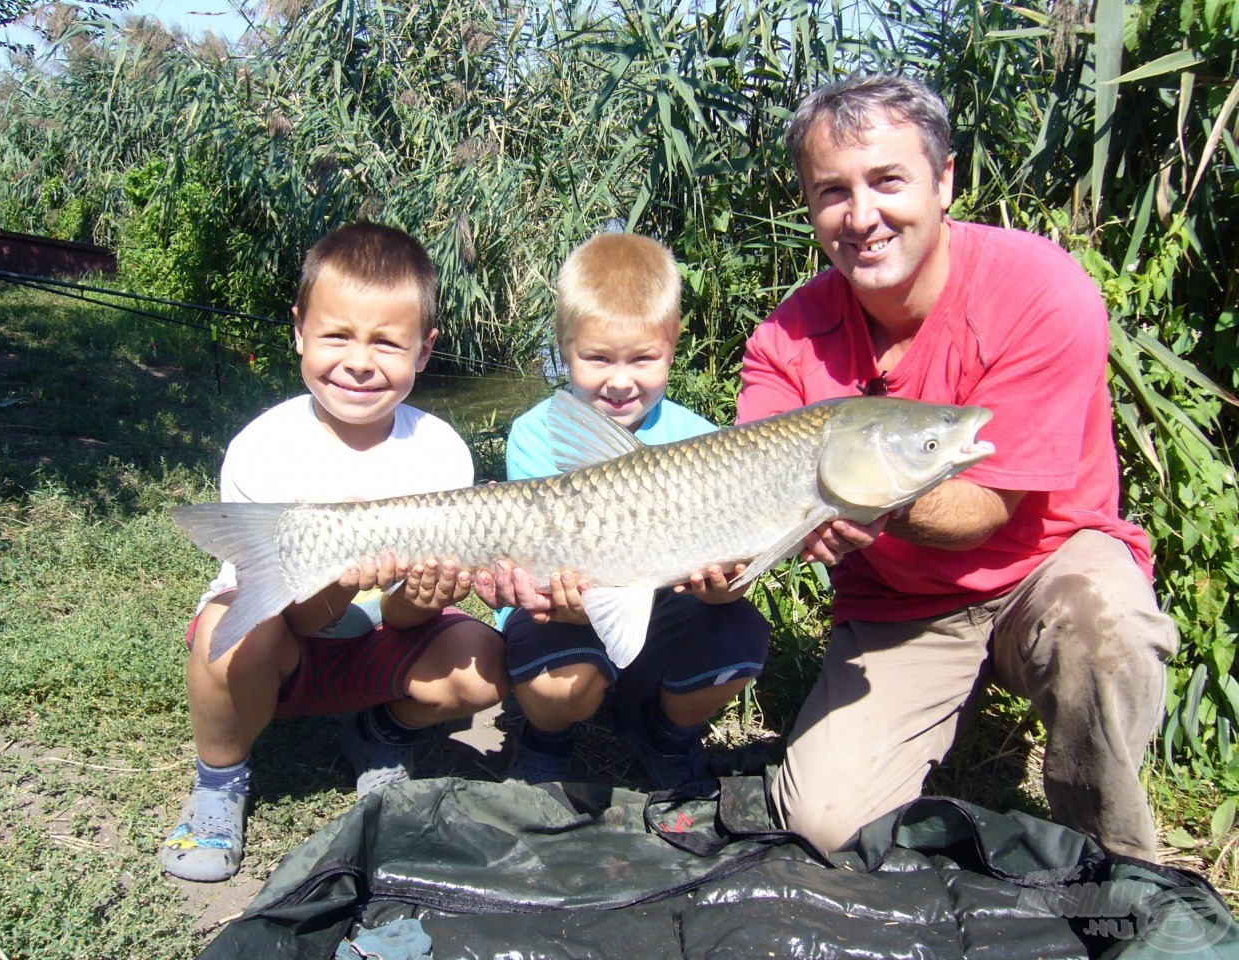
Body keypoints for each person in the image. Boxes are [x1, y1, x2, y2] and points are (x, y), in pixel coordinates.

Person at [738, 73, 1177, 860]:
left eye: (888, 181)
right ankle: (941, 699)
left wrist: (854, 495)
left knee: (1105, 636)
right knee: (822, 826)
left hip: (1047, 567)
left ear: (945, 181)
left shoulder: (1041, 290)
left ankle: (1117, 863)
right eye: (831, 191)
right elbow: (755, 507)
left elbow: (985, 510)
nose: (861, 216)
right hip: (900, 605)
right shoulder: (785, 340)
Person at [161, 222, 507, 882]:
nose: (359, 361)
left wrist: (422, 596)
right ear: (298, 330)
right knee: (225, 637)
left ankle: (380, 733)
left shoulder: (442, 451)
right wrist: (335, 586)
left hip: (382, 640)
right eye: (337, 335)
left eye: (386, 342)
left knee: (484, 665)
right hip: (288, 641)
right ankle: (219, 780)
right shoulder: (263, 449)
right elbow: (290, 617)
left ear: (425, 350)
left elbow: (408, 618)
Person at [486, 232, 771, 787]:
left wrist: (724, 587)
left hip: (661, 609)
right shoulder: (535, 434)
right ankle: (548, 736)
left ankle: (664, 735)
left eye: (643, 358)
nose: (620, 381)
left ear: (673, 344)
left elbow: (731, 571)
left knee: (739, 638)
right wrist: (563, 600)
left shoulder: (704, 440)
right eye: (596, 358)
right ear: (562, 346)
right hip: (558, 612)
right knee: (560, 680)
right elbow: (544, 573)